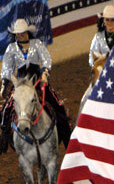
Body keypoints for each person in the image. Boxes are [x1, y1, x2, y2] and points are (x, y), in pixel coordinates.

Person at [0, 18, 71, 148]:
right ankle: (4, 138)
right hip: (20, 85)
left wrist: (45, 72)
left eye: (22, 33)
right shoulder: (11, 48)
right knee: (7, 109)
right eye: (18, 34)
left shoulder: (37, 44)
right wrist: (4, 85)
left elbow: (46, 59)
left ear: (27, 32)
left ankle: (67, 137)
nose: (20, 36)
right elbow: (7, 67)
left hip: (38, 82)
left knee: (57, 104)